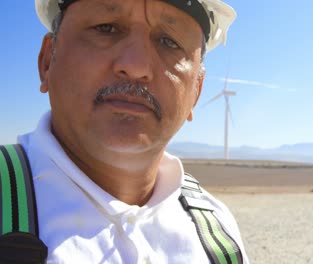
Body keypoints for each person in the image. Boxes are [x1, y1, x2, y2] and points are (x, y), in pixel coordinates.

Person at [0, 0, 249, 263]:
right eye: (106, 28)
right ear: (48, 61)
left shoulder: (219, 237)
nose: (136, 66)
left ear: (196, 92)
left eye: (169, 42)